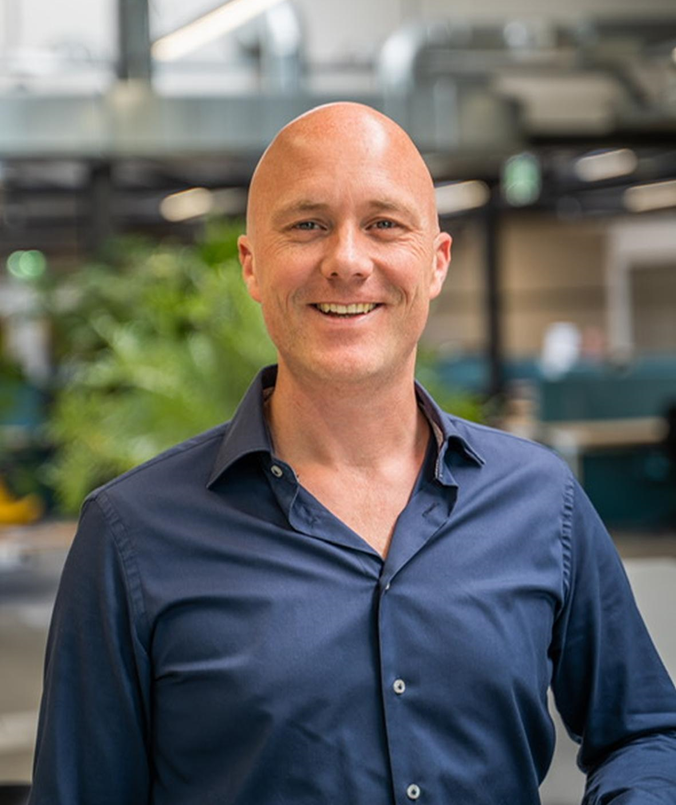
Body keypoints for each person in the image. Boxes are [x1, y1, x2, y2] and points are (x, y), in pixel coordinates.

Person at [30, 103, 676, 805]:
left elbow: (645, 732)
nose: (346, 261)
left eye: (384, 224)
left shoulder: (542, 500)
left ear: (436, 262)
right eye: (307, 225)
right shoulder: (132, 536)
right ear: (252, 265)